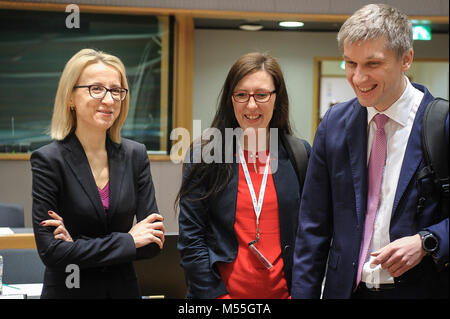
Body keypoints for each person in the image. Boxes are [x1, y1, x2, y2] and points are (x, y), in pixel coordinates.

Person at [292, 4, 449, 299]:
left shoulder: (441, 124)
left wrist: (427, 240)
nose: (358, 78)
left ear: (406, 59)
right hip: (347, 290)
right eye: (351, 63)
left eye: (372, 64)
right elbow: (312, 228)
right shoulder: (334, 125)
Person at [31, 48, 165, 299]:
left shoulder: (136, 155)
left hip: (123, 291)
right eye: (96, 89)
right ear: (70, 97)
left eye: (116, 90)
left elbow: (152, 244)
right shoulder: (49, 160)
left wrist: (76, 247)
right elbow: (51, 252)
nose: (109, 99)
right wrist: (128, 241)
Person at [176, 52, 311, 299]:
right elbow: (191, 240)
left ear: (276, 98)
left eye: (261, 95)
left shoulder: (300, 155)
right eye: (241, 95)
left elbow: (312, 235)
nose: (251, 105)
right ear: (230, 99)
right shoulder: (207, 155)